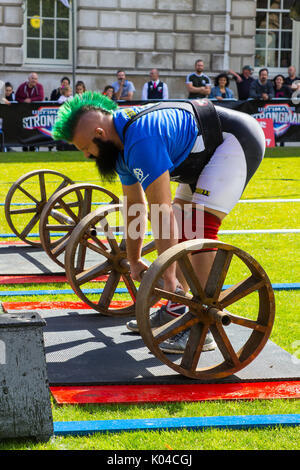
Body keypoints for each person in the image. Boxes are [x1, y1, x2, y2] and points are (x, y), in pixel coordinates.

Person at [52, 91, 265, 354]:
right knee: (185, 225)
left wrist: (168, 277)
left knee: (200, 227)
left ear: (99, 132)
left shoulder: (141, 141)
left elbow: (160, 213)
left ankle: (204, 325)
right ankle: (177, 308)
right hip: (200, 151)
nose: (86, 156)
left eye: (86, 148)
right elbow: (135, 207)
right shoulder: (119, 147)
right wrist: (134, 259)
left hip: (232, 142)